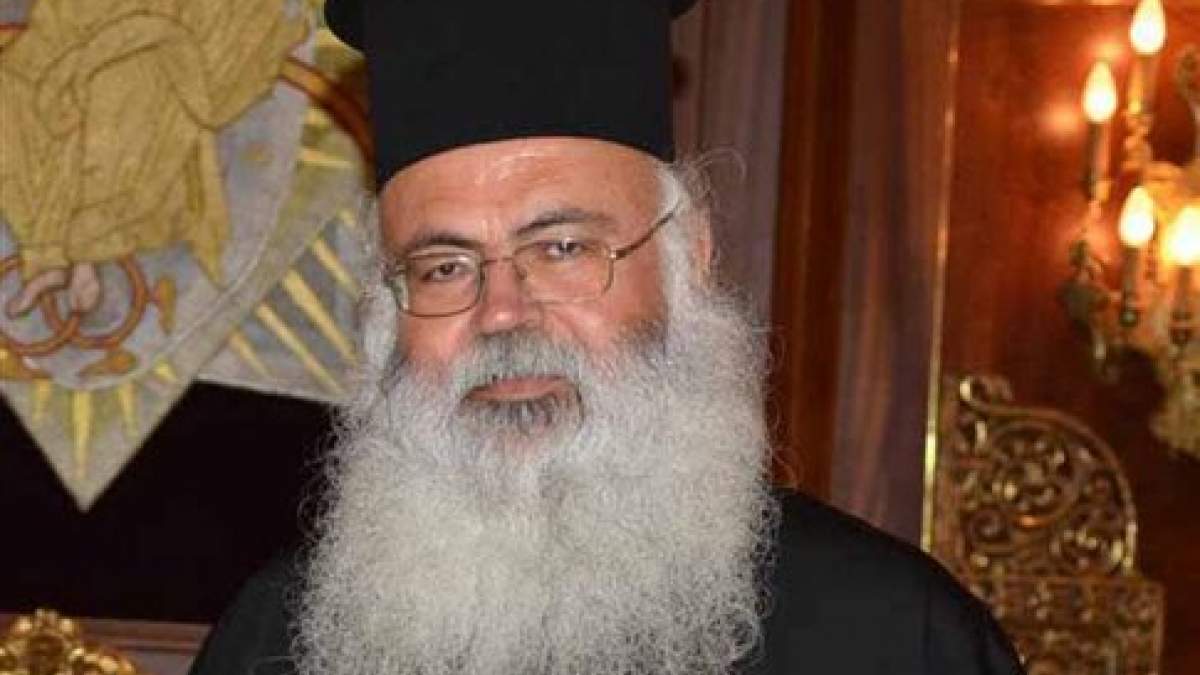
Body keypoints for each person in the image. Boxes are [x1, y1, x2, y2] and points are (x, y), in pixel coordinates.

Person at [189, 1, 1026, 674]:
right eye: (443, 266)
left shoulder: (894, 638)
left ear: (688, 260)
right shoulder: (271, 645)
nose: (503, 312)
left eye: (562, 248)